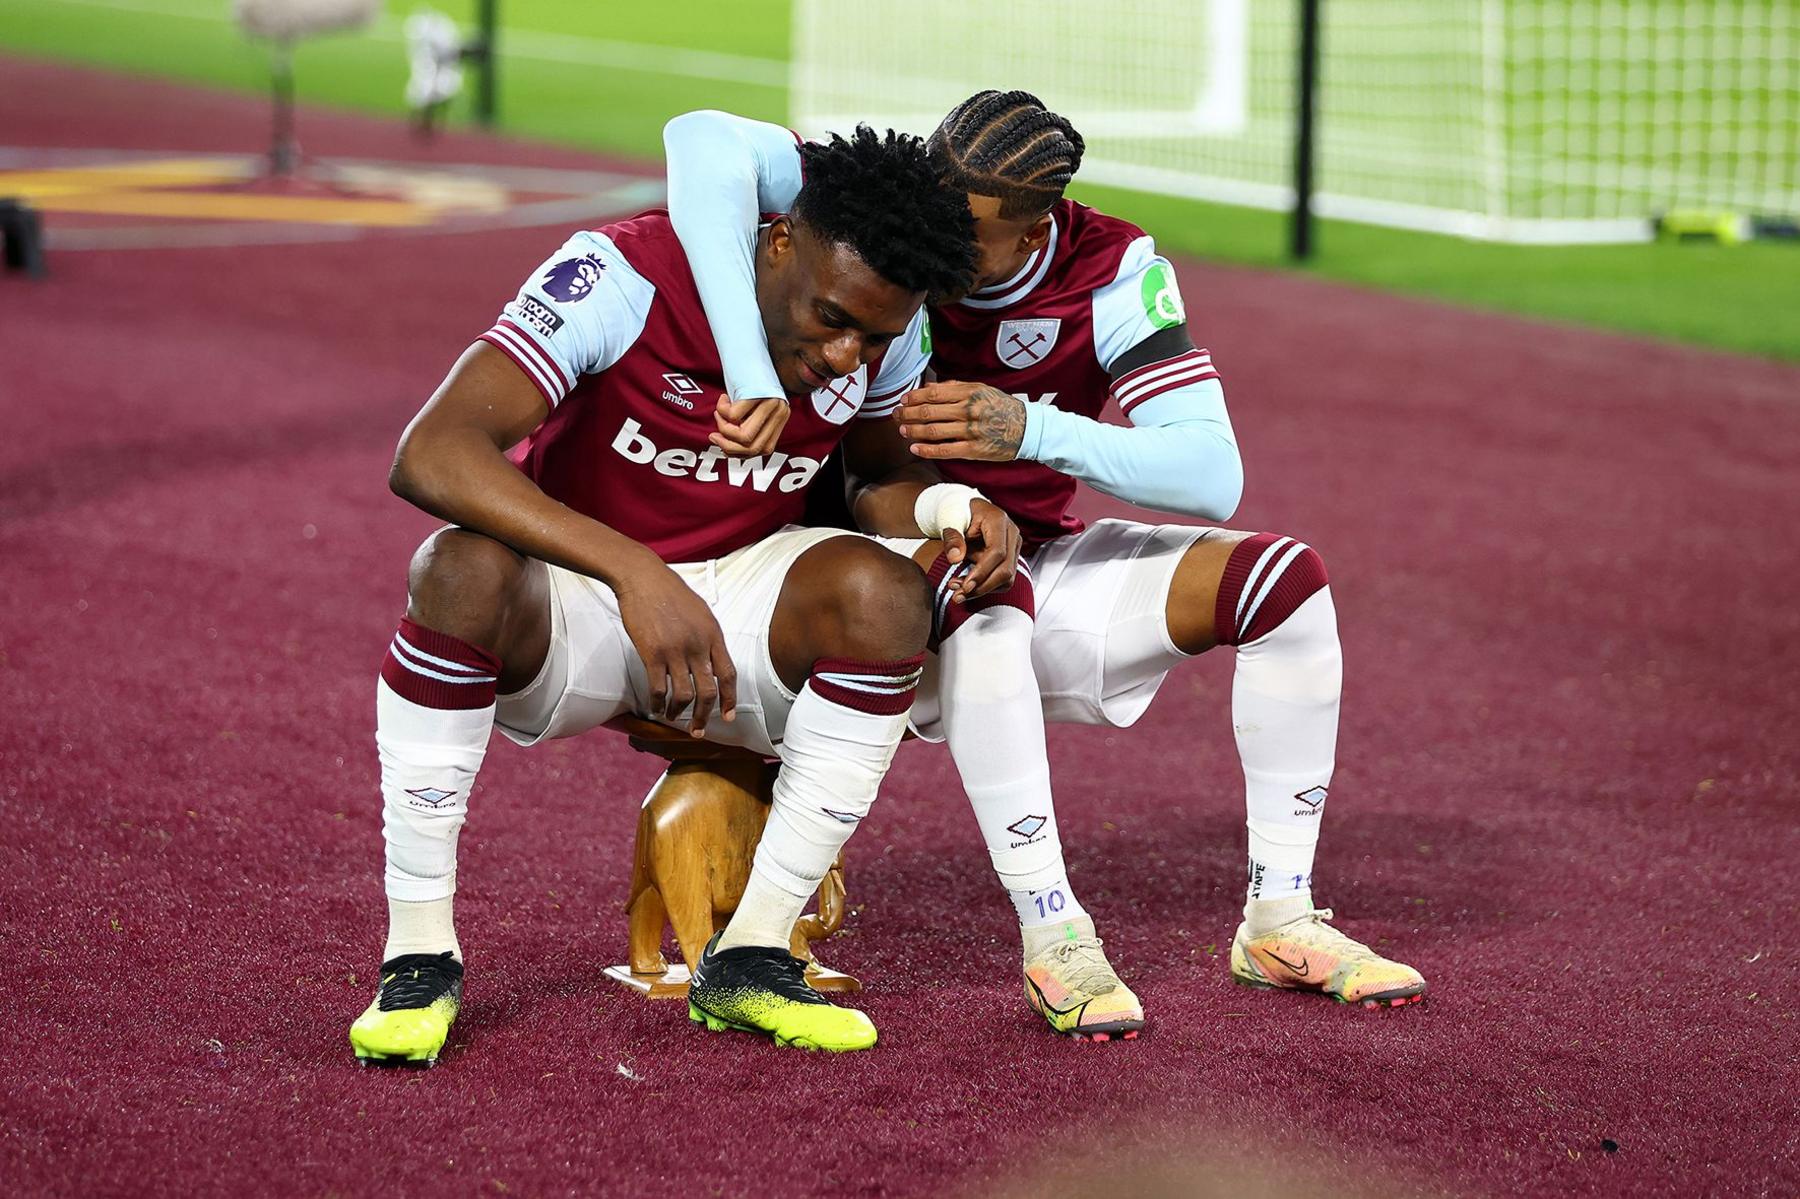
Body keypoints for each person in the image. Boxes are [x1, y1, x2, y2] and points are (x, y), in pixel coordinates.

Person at [662, 92, 1428, 1030]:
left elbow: (1211, 473)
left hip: (1026, 562)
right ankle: (1055, 934)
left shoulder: (1110, 269)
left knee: (1285, 584)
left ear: (1033, 233)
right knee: (989, 589)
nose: (935, 237)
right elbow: (699, 139)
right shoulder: (893, 198)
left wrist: (1032, 428)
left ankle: (1281, 915)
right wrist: (749, 370)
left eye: (968, 229)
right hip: (851, 578)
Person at [349, 126, 1020, 1064]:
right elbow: (432, 451)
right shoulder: (621, 273)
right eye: (831, 318)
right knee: (456, 569)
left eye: (872, 335)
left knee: (883, 592)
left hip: (741, 598)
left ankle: (750, 957)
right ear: (777, 239)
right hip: (580, 598)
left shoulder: (883, 321)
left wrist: (953, 504)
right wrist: (634, 571)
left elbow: (875, 481)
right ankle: (418, 955)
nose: (845, 355)